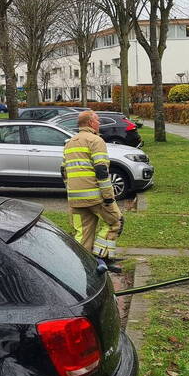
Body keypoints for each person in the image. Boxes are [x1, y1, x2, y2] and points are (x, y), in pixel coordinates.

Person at [61, 110, 124, 272]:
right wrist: (109, 197)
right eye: (97, 120)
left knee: (83, 232)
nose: (99, 123)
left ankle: (80, 267)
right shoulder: (96, 140)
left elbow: (63, 171)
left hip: (75, 198)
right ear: (90, 123)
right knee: (115, 222)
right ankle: (102, 257)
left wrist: (71, 189)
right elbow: (101, 170)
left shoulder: (69, 143)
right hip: (95, 197)